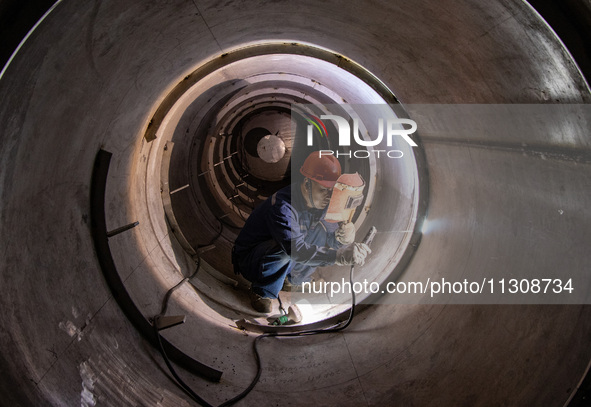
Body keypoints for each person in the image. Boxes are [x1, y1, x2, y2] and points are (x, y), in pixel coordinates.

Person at [232, 152, 371, 313]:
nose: (328, 197)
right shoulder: (282, 207)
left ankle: (294, 280)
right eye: (323, 190)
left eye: (331, 191)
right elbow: (296, 250)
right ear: (307, 183)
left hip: (279, 255)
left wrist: (342, 239)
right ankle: (261, 291)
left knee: (318, 230)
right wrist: (338, 257)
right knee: (288, 249)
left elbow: (328, 240)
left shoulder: (319, 202)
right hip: (251, 260)